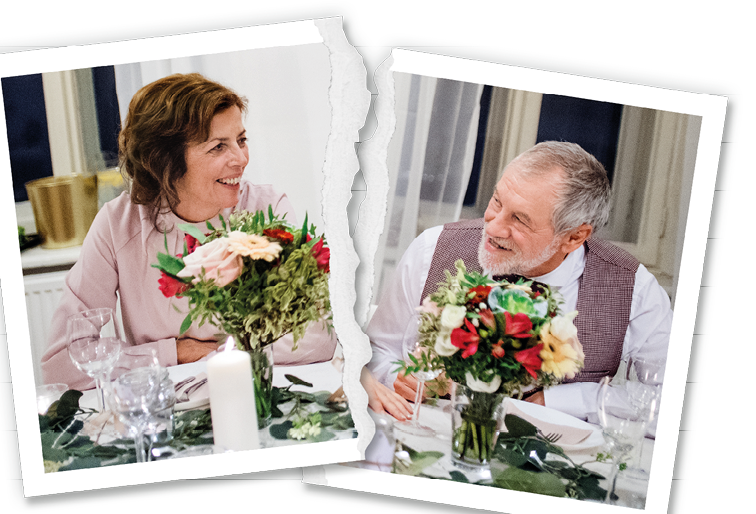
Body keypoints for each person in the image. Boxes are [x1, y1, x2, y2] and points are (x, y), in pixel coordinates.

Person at [42, 73, 336, 390]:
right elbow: (62, 363)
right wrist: (176, 352)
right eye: (218, 147)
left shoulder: (267, 209)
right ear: (164, 161)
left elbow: (319, 338)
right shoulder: (118, 224)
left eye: (241, 139)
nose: (240, 158)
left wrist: (221, 355)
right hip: (166, 407)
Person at [363, 141, 672, 422]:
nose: (494, 227)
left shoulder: (634, 289)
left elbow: (671, 401)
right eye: (497, 202)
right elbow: (375, 350)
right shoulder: (433, 247)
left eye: (519, 219)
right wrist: (402, 379)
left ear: (574, 236)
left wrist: (565, 401)